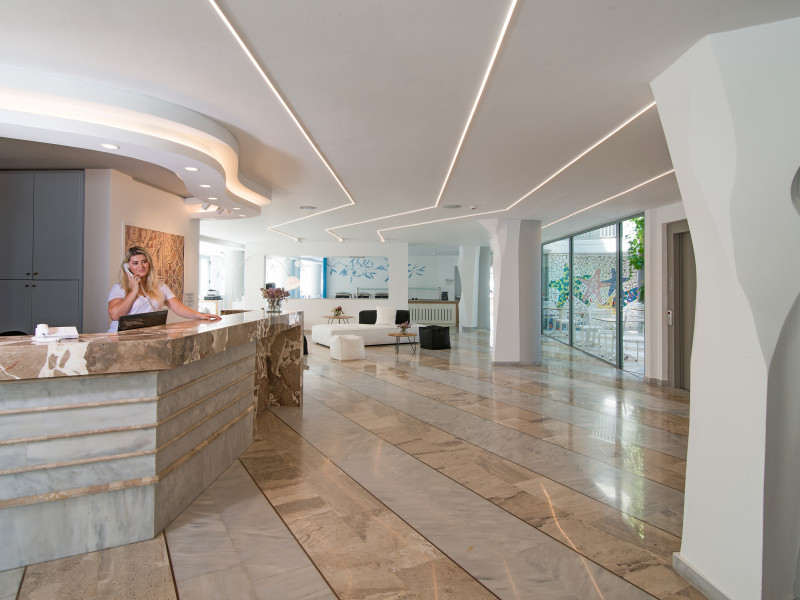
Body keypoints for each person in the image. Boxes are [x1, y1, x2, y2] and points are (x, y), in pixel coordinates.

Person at [108, 246, 220, 332]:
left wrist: (200, 315)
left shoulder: (160, 286)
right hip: (121, 337)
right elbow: (114, 315)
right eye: (135, 263)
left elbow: (178, 307)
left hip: (149, 336)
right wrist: (134, 291)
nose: (141, 266)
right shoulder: (119, 288)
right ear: (127, 267)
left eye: (144, 261)